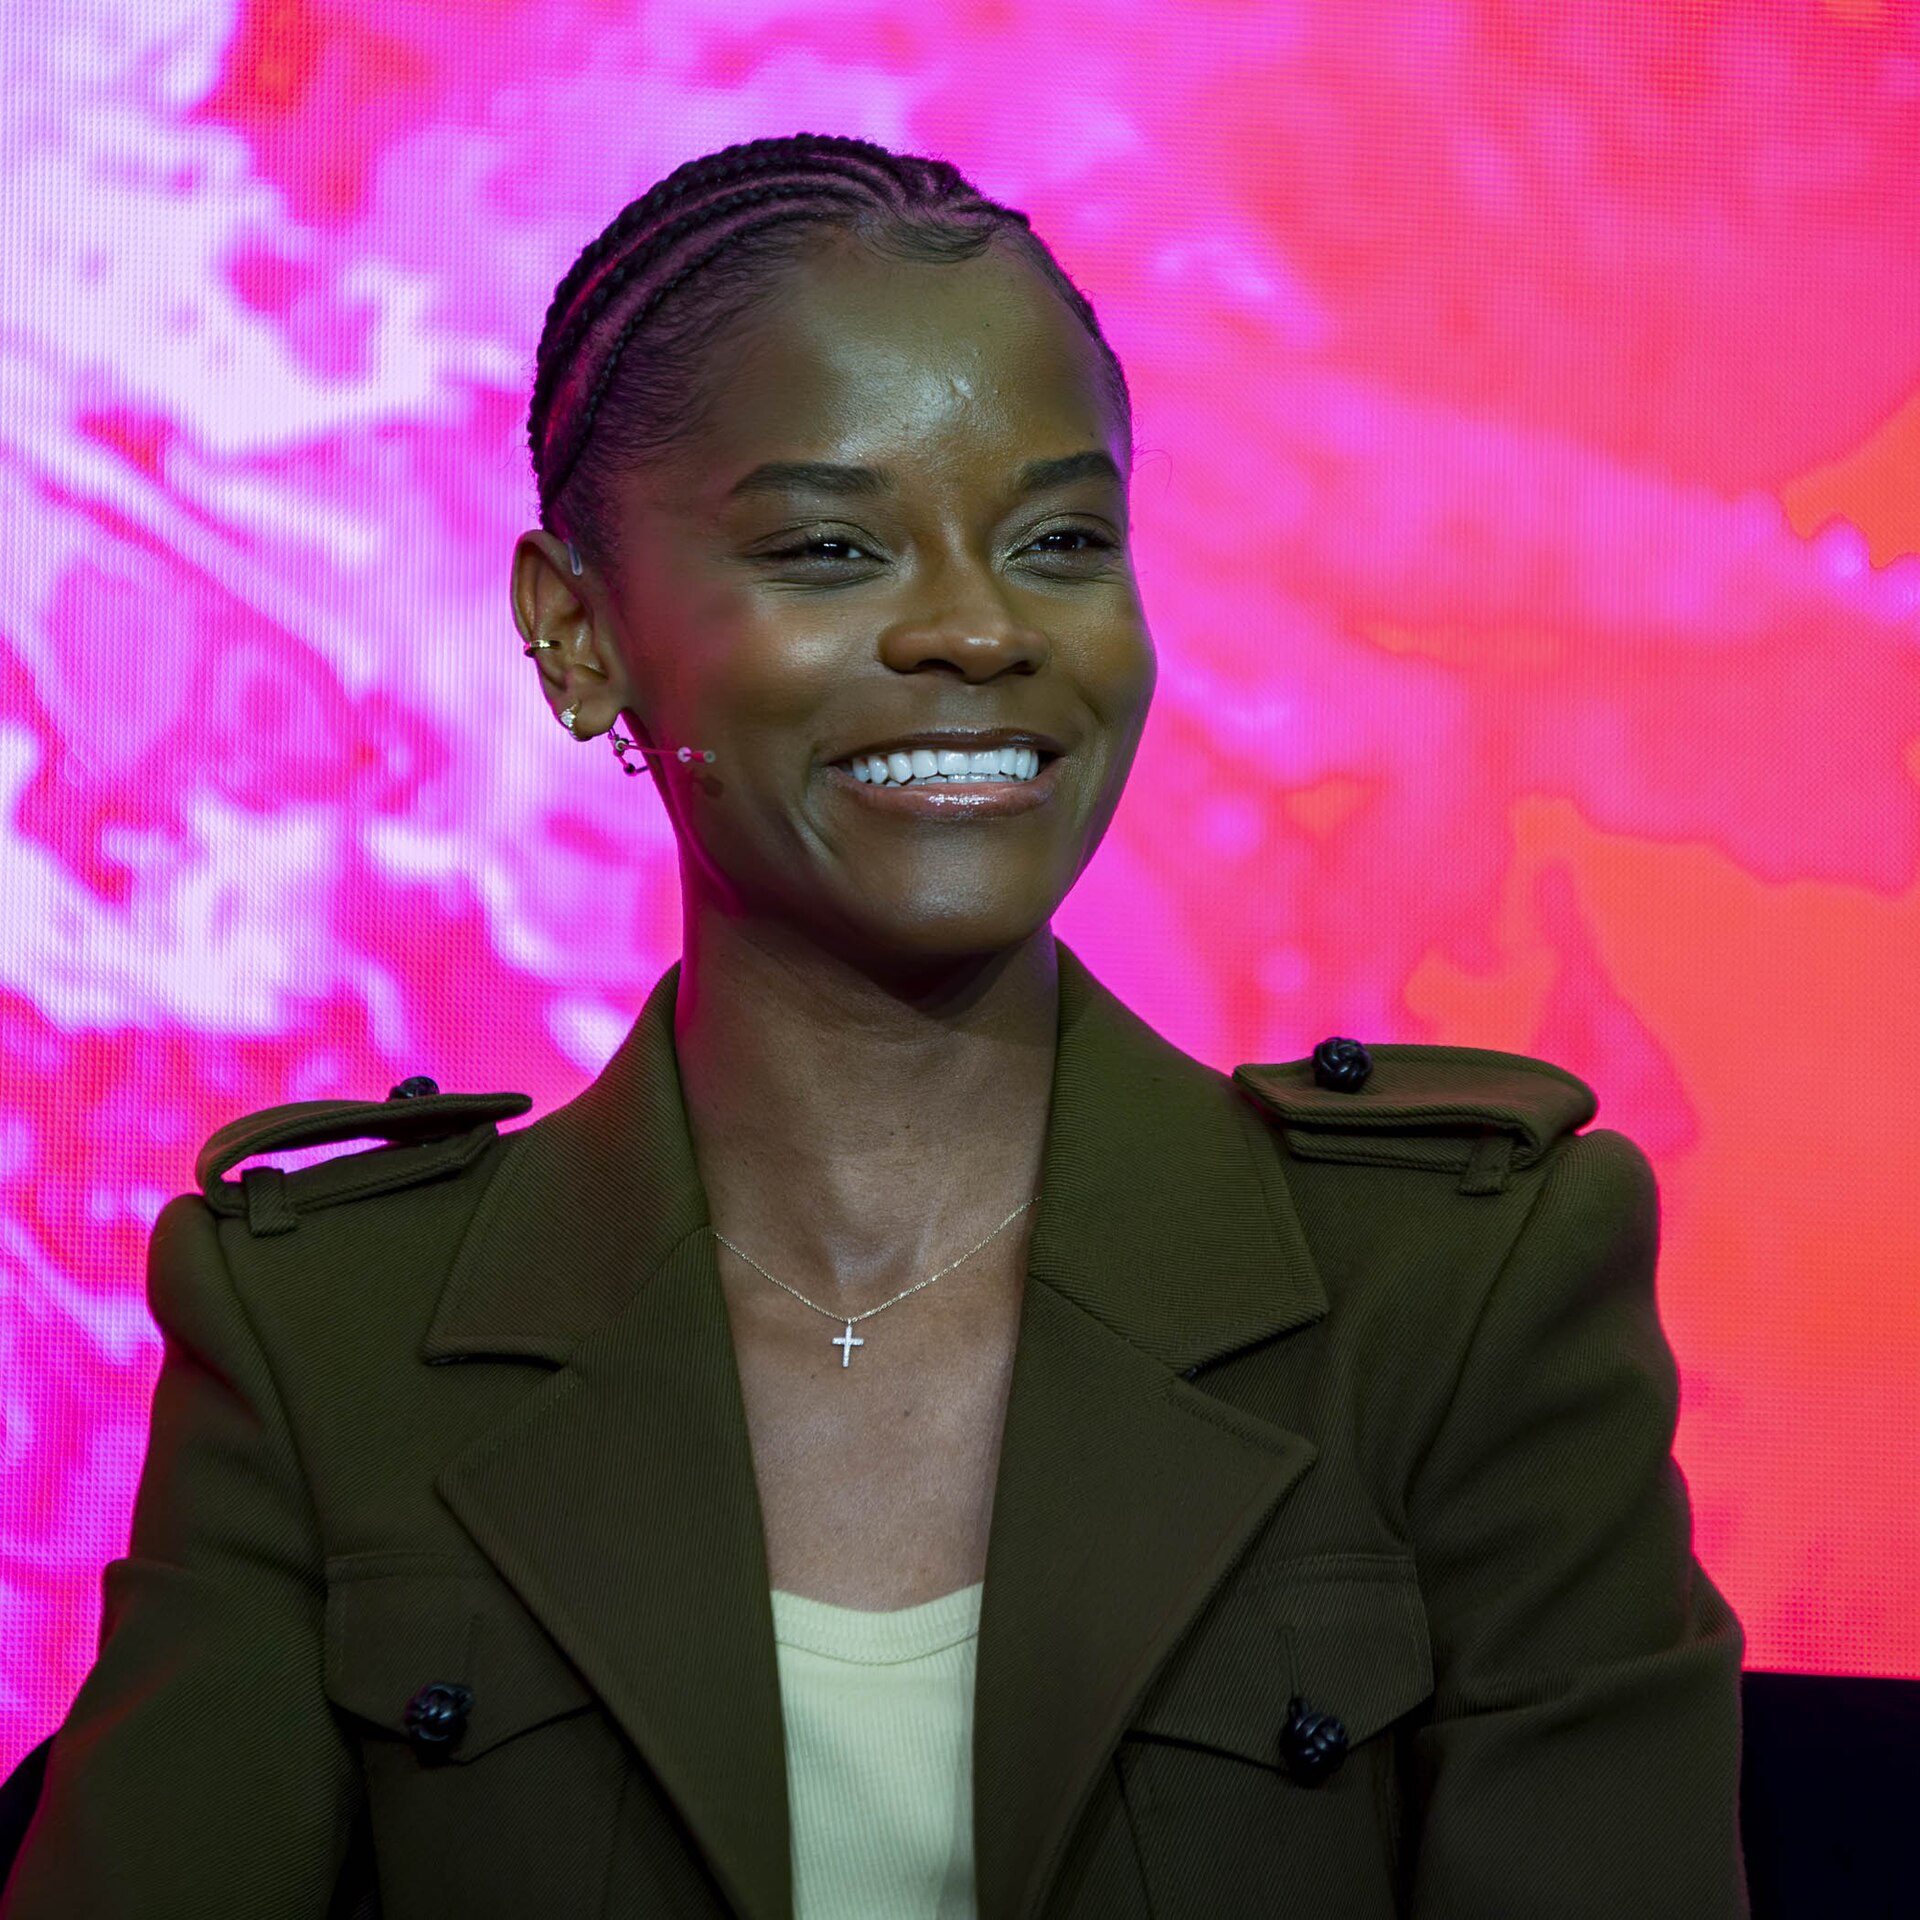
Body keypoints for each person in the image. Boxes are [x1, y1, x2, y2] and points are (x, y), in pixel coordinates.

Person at [1, 134, 1748, 1919]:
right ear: (578, 636)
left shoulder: (1458, 1287)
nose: (980, 629)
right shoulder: (330, 1332)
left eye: (1060, 540)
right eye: (833, 548)